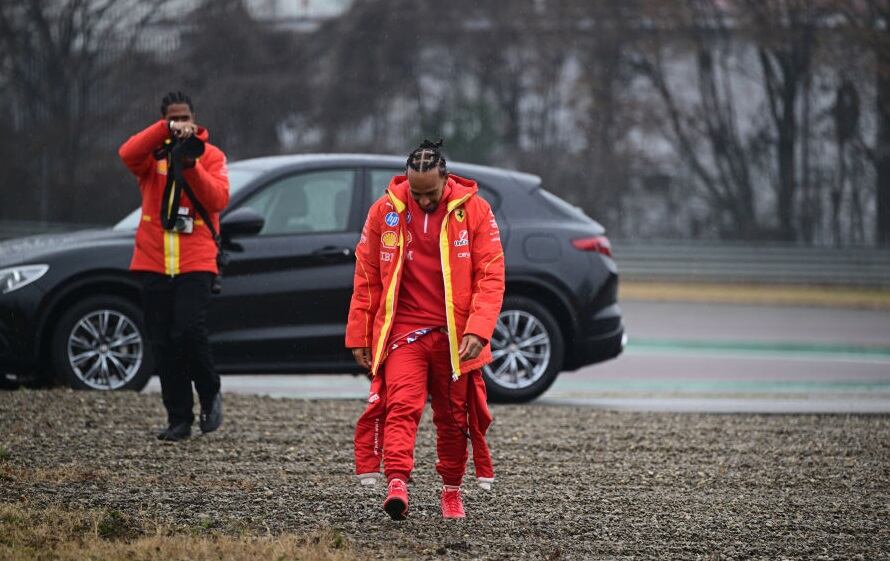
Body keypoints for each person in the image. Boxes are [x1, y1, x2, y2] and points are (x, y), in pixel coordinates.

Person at [346, 139, 505, 520]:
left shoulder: (477, 211)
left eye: (431, 193)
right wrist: (359, 335)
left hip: (456, 338)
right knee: (400, 407)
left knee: (453, 418)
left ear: (446, 179)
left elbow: (491, 275)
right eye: (417, 194)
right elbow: (366, 277)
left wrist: (479, 330)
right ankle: (397, 481)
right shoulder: (384, 211)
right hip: (404, 333)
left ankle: (452, 491)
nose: (424, 201)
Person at [118, 91, 229, 441]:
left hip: (195, 258)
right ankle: (178, 417)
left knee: (188, 331)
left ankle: (209, 390)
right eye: (174, 118)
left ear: (195, 118)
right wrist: (163, 132)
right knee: (162, 341)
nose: (181, 124)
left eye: (185, 118)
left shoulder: (210, 155)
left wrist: (190, 164)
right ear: (165, 119)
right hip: (153, 259)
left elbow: (217, 199)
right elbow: (127, 153)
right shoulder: (153, 156)